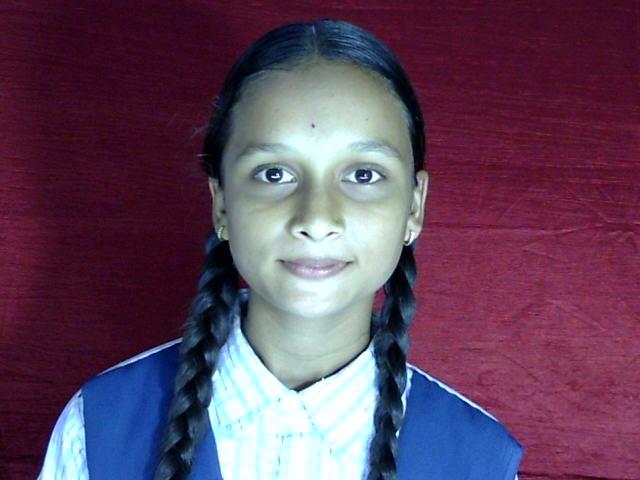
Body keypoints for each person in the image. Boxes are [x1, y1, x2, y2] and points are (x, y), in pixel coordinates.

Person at [39, 19, 523, 480]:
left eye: (363, 175)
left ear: (414, 206)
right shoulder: (99, 427)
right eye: (275, 174)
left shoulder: (477, 458)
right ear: (221, 202)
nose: (317, 219)